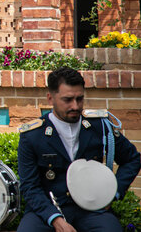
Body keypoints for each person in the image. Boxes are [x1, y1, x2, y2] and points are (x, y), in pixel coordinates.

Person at [17, 66, 141, 232]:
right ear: (50, 98)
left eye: (79, 99)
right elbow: (30, 187)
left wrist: (113, 193)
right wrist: (55, 220)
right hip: (47, 210)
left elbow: (132, 158)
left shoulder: (100, 126)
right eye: (67, 100)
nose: (75, 106)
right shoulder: (33, 135)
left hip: (91, 210)